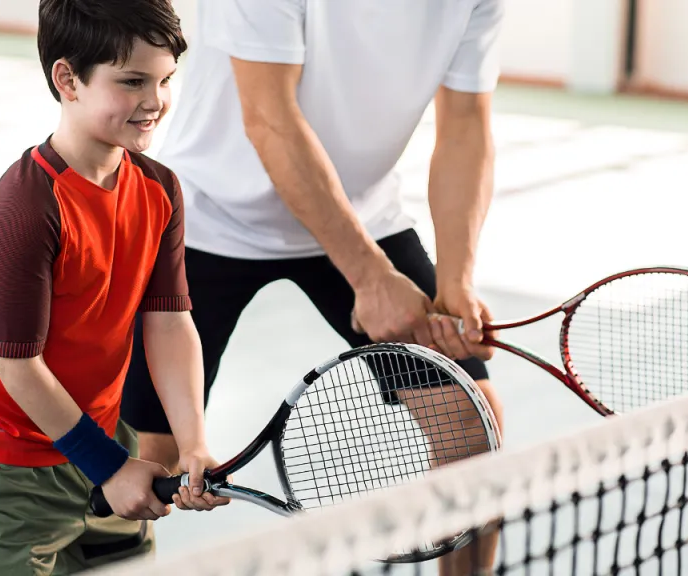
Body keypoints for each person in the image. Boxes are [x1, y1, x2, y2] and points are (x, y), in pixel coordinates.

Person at [123, 0, 507, 572]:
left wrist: (456, 281)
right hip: (208, 216)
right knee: (146, 459)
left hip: (363, 214)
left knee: (472, 435)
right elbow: (270, 119)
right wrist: (373, 277)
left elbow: (466, 126)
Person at [0, 1, 229, 574]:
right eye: (132, 82)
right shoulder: (25, 211)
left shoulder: (159, 187)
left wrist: (192, 441)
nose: (155, 102)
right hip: (13, 470)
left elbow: (169, 320)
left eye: (165, 80)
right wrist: (110, 467)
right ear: (68, 79)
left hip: (107, 442)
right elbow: (18, 368)